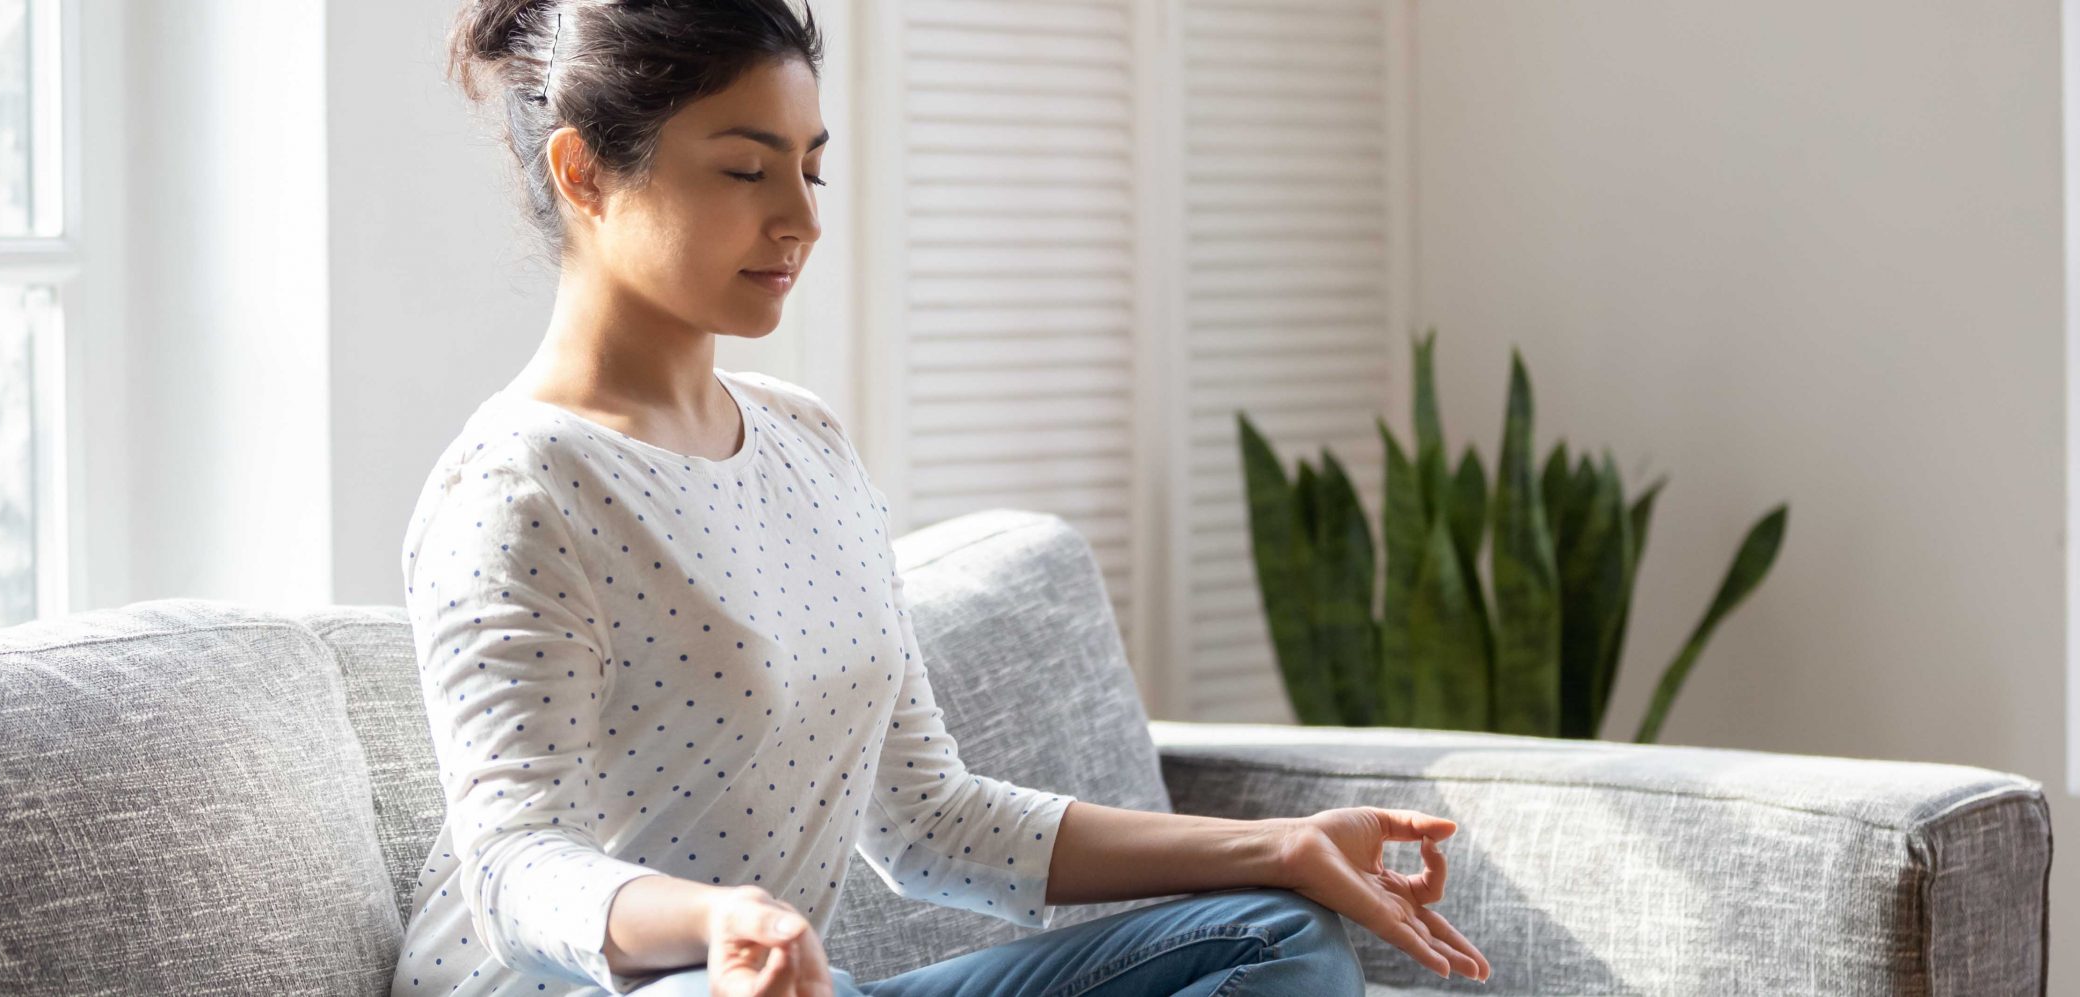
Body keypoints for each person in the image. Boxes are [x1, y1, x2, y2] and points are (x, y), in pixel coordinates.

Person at [395, 2, 1493, 994]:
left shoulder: (807, 443)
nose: (800, 219)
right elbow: (512, 861)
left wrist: (1282, 844)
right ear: (584, 172)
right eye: (745, 170)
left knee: (1280, 938)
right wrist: (719, 922)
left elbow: (930, 820)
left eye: (810, 170)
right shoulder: (519, 484)